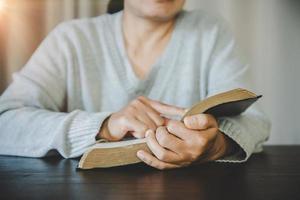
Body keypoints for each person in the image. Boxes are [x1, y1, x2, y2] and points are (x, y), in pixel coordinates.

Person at [0, 0, 270, 170]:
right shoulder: (70, 38)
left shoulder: (210, 32)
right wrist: (104, 125)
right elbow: (5, 122)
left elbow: (255, 120)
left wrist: (217, 145)